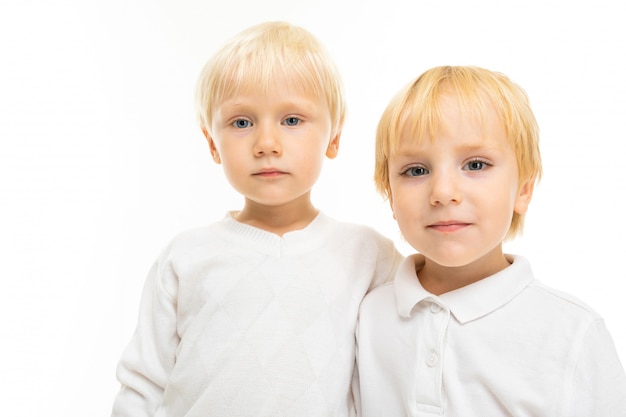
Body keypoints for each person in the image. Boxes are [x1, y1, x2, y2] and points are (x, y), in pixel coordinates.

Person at [110, 21, 401, 417]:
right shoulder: (186, 257)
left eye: (292, 120)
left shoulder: (371, 258)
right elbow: (144, 382)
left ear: (334, 136)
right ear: (212, 143)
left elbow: (393, 379)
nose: (267, 144)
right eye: (242, 123)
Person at [355, 65, 626, 416]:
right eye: (417, 171)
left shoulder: (571, 334)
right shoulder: (366, 316)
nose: (443, 192)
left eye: (476, 165)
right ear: (390, 196)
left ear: (523, 189)